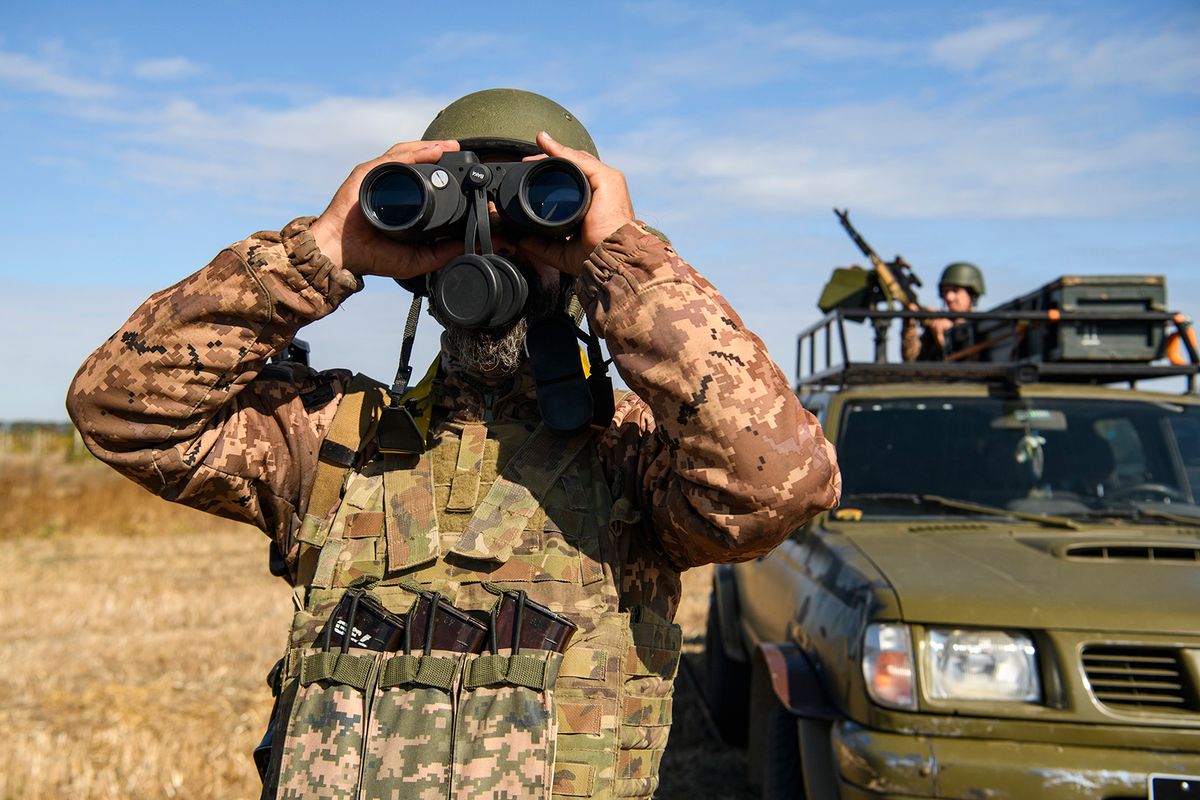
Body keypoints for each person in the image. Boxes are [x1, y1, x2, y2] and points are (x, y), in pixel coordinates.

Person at [66, 88, 840, 800]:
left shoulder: (633, 454)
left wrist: (624, 264)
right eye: (466, 211)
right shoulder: (331, 439)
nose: (491, 243)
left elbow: (778, 479)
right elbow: (119, 409)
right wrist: (322, 251)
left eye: (533, 211)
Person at [901, 261, 986, 362]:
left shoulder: (982, 327)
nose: (949, 297)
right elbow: (911, 359)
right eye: (945, 291)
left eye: (955, 290)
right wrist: (909, 324)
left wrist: (950, 337)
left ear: (971, 294)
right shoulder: (935, 325)